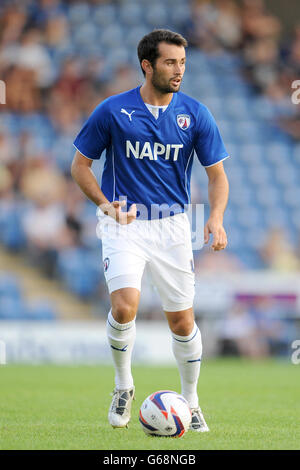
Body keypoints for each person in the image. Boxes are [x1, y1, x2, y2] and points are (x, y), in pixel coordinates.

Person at [71, 29, 229, 433]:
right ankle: (123, 385)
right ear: (148, 65)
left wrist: (216, 218)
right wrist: (105, 206)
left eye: (183, 64)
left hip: (175, 226)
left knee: (182, 322)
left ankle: (191, 402)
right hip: (124, 224)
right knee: (124, 307)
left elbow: (217, 176)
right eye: (170, 63)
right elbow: (80, 166)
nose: (179, 71)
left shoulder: (195, 113)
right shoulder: (112, 110)